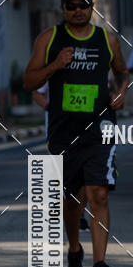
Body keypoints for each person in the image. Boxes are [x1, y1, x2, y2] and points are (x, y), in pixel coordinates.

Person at [23, 0, 129, 267]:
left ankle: (100, 264)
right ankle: (74, 250)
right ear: (63, 9)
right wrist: (56, 65)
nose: (78, 10)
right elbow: (29, 81)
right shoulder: (50, 38)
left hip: (100, 130)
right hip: (63, 133)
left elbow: (122, 71)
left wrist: (121, 92)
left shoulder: (107, 40)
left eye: (83, 5)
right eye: (72, 6)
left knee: (99, 193)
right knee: (72, 199)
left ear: (92, 7)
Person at [32, 82, 89, 231]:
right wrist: (52, 109)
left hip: (85, 127)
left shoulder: (91, 63)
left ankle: (80, 214)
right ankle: (57, 218)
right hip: (57, 131)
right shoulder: (54, 65)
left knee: (84, 174)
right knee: (61, 175)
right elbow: (36, 92)